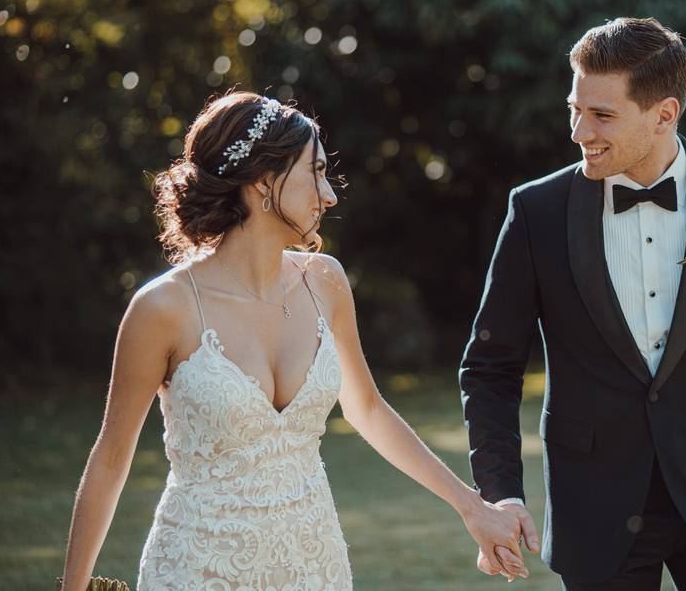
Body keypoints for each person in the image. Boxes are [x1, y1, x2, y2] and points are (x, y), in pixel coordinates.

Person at [59, 91, 527, 591]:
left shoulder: (324, 282)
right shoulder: (163, 309)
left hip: (314, 563)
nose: (329, 194)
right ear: (263, 181)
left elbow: (367, 410)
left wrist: (472, 509)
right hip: (198, 568)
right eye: (316, 172)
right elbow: (111, 459)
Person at [460, 17, 686, 591]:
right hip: (594, 509)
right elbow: (489, 369)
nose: (578, 131)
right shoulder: (536, 212)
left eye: (602, 115)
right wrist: (500, 494)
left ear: (664, 114)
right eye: (575, 109)